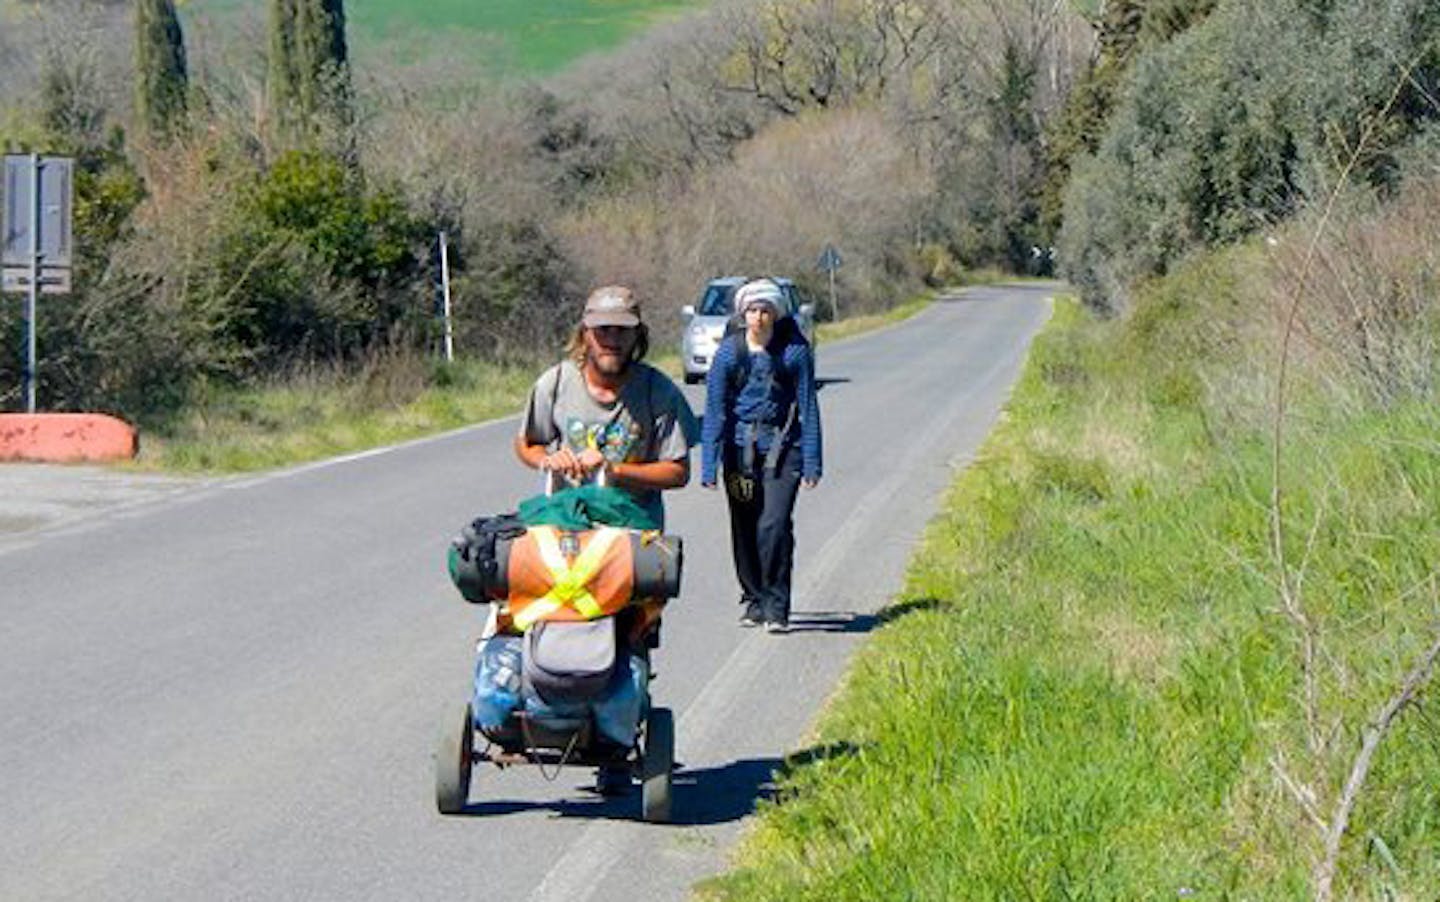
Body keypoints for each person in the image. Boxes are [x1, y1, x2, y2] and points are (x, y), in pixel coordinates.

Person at [513, 284, 698, 794]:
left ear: (636, 336)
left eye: (622, 330)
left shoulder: (657, 392)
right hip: (564, 530)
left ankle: (616, 739)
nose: (611, 339)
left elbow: (678, 470)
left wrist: (617, 470)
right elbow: (525, 443)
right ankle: (535, 708)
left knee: (626, 631)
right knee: (542, 613)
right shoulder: (554, 384)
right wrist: (548, 459)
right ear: (586, 333)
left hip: (631, 534)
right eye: (602, 330)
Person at [700, 278, 822, 633]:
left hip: (786, 451)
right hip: (740, 454)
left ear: (775, 313)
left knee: (774, 525)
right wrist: (710, 462)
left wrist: (813, 459)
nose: (759, 317)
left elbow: (808, 407)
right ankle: (754, 598)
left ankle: (777, 604)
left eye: (765, 310)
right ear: (743, 313)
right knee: (746, 525)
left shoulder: (794, 352)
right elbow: (715, 410)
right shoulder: (728, 354)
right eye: (752, 310)